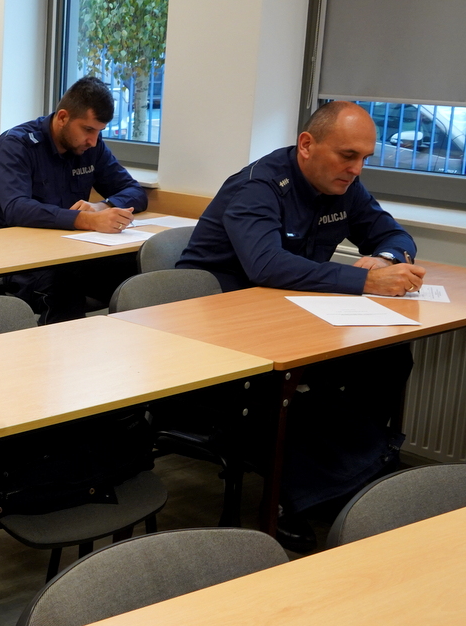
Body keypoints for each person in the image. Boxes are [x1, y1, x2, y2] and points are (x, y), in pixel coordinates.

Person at [177, 100, 423, 550]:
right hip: (216, 329)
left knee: (387, 358)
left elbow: (393, 234)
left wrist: (386, 259)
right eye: (347, 156)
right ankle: (292, 498)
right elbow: (267, 265)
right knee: (295, 388)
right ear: (307, 145)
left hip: (288, 317)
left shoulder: (344, 186)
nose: (356, 170)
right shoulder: (258, 187)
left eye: (364, 158)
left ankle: (344, 479)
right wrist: (366, 281)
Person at [0, 76, 148, 322]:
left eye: (99, 132)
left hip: (67, 250)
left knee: (135, 273)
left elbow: (135, 191)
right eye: (88, 130)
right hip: (10, 257)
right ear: (63, 117)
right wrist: (87, 220)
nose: (93, 141)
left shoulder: (90, 147)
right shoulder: (17, 144)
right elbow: (17, 209)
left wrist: (102, 206)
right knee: (64, 285)